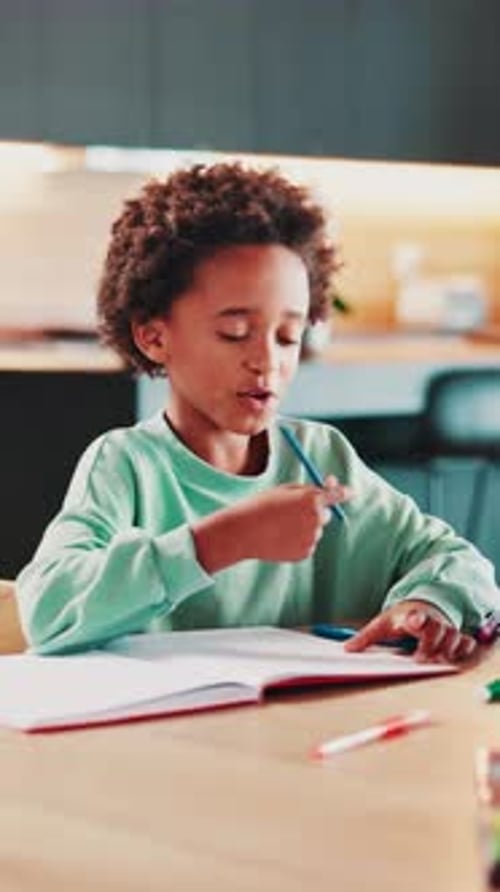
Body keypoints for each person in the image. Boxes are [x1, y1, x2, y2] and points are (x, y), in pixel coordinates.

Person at [16, 162, 499, 659]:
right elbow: (47, 612)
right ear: (154, 335)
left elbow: (458, 561)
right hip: (171, 734)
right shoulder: (127, 466)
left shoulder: (320, 457)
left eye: (288, 336)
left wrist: (425, 605)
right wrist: (222, 541)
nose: (267, 360)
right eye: (235, 333)